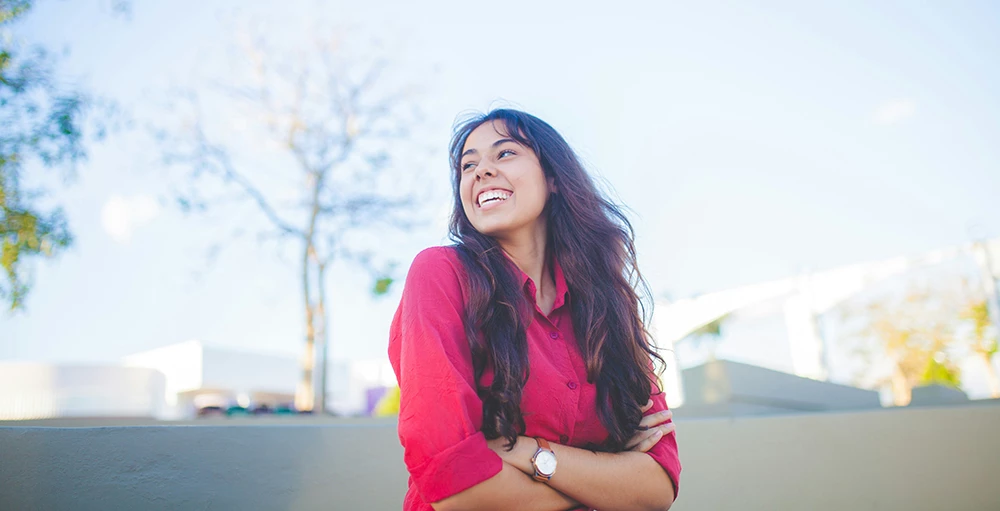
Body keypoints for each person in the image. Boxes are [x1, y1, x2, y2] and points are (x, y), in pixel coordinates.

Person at [388, 109, 680, 511]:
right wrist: (603, 481)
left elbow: (658, 487)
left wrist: (524, 453)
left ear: (554, 178)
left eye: (504, 154)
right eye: (468, 165)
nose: (481, 171)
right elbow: (456, 487)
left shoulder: (610, 305)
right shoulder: (440, 274)